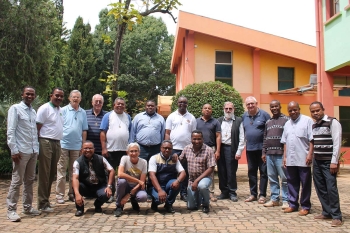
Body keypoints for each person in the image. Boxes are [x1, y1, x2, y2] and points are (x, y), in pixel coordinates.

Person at [6, 86, 41, 222]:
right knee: (17, 181)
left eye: (32, 94)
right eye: (27, 94)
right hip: (21, 152)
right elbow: (11, 131)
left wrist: (36, 150)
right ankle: (11, 210)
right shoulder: (15, 109)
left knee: (29, 180)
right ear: (22, 95)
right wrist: (13, 150)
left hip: (32, 151)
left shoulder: (33, 112)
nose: (30, 96)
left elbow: (34, 133)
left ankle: (27, 207)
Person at [309, 101, 343, 227]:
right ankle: (326, 212)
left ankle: (336, 216)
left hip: (329, 162)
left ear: (323, 109)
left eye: (317, 110)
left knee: (331, 188)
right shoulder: (314, 125)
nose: (315, 113)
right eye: (313, 111)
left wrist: (334, 161)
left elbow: (337, 143)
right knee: (320, 187)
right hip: (317, 161)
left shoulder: (332, 122)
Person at [281, 101, 314, 216]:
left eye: (295, 109)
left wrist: (310, 154)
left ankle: (305, 206)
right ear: (288, 111)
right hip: (291, 159)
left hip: (303, 158)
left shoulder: (307, 121)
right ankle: (293, 204)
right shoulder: (287, 124)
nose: (293, 112)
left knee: (305, 184)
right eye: (290, 110)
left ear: (299, 109)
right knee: (291, 182)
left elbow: (312, 140)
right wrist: (284, 157)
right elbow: (284, 142)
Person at [56, 90, 88, 204]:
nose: (75, 99)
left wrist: (83, 145)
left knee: (74, 171)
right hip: (63, 144)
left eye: (78, 97)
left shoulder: (83, 112)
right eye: (73, 97)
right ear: (69, 98)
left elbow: (84, 130)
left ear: (80, 99)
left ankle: (72, 193)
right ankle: (59, 195)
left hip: (77, 146)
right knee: (61, 170)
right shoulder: (63, 110)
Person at [129, 100, 165, 201]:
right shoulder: (138, 117)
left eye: (152, 106)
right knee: (140, 170)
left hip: (155, 148)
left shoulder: (160, 118)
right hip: (141, 147)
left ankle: (150, 192)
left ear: (155, 107)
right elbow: (133, 132)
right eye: (148, 106)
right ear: (145, 106)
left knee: (153, 170)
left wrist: (161, 148)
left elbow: (162, 134)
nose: (150, 107)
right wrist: (131, 146)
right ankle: (139, 190)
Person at [36, 87, 64, 212]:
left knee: (52, 173)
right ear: (51, 95)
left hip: (57, 142)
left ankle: (46, 201)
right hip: (45, 141)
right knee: (44, 173)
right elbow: (37, 128)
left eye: (61, 96)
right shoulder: (44, 108)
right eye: (57, 95)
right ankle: (42, 203)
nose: (59, 98)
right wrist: (36, 145)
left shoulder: (60, 110)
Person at [165, 96, 196, 201]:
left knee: (185, 172)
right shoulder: (171, 116)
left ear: (187, 104)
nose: (182, 104)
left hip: (187, 149)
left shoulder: (191, 117)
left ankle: (183, 193)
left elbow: (193, 134)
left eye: (184, 102)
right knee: (172, 171)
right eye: (180, 102)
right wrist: (168, 148)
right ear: (177, 103)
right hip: (174, 148)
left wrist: (193, 148)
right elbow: (167, 133)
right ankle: (170, 192)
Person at [72, 141, 115, 216]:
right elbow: (75, 178)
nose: (88, 150)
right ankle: (79, 208)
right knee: (76, 187)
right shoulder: (77, 162)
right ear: (81, 150)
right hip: (86, 187)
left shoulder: (101, 159)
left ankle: (98, 204)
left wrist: (109, 186)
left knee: (108, 192)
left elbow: (111, 170)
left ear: (94, 149)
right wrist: (77, 194)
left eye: (90, 148)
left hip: (99, 186)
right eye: (85, 148)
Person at [179, 130, 216, 213]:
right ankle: (199, 196)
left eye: (199, 139)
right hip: (192, 180)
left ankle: (206, 204)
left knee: (202, 186)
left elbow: (211, 168)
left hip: (205, 178)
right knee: (191, 207)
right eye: (194, 139)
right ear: (191, 139)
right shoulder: (186, 149)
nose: (197, 141)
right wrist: (174, 159)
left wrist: (197, 181)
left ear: (203, 139)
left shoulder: (208, 150)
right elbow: (180, 161)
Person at [242, 96, 270, 204]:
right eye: (248, 104)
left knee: (263, 172)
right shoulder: (244, 116)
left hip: (262, 150)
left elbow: (269, 131)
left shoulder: (264, 115)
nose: (250, 106)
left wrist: (266, 149)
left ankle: (262, 195)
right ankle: (253, 194)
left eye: (252, 103)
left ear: (256, 103)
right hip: (250, 149)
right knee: (251, 172)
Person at [262, 100, 289, 209]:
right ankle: (274, 199)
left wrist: (286, 155)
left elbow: (288, 138)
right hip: (269, 154)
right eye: (272, 107)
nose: (274, 108)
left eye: (276, 106)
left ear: (280, 106)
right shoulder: (268, 122)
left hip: (281, 154)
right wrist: (264, 152)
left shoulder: (286, 120)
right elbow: (265, 138)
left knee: (284, 178)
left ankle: (286, 200)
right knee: (272, 178)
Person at [216, 102, 245, 202]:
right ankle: (224, 192)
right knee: (221, 171)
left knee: (231, 172)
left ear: (234, 109)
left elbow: (242, 137)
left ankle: (232, 192)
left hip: (231, 149)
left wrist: (239, 151)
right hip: (220, 148)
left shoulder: (239, 121)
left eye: (230, 109)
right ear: (223, 109)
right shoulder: (218, 121)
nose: (228, 110)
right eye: (226, 108)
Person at [148, 140, 186, 213]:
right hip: (156, 185)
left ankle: (169, 204)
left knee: (179, 183)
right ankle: (155, 202)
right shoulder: (154, 158)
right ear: (160, 148)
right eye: (165, 148)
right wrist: (159, 190)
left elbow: (183, 173)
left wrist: (177, 181)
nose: (167, 150)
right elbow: (152, 176)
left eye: (169, 148)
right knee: (159, 200)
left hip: (169, 184)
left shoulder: (174, 159)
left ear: (172, 149)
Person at [114, 143, 148, 217]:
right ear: (127, 152)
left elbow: (142, 182)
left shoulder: (144, 162)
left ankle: (133, 200)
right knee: (121, 181)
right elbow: (120, 174)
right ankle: (119, 206)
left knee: (143, 197)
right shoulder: (124, 158)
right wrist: (138, 180)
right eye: (131, 151)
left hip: (136, 187)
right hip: (125, 185)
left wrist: (128, 195)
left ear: (139, 152)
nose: (134, 153)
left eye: (136, 151)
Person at [196, 104, 221, 202]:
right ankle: (197, 190)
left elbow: (218, 136)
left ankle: (211, 192)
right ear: (202, 110)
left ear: (211, 110)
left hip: (211, 148)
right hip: (198, 149)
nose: (207, 110)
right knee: (197, 169)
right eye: (205, 108)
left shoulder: (215, 122)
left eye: (209, 108)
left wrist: (218, 150)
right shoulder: (197, 121)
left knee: (211, 170)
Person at [100, 97, 131, 170]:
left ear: (124, 106)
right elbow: (102, 132)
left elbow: (129, 132)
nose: (120, 105)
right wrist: (104, 148)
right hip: (111, 149)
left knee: (124, 171)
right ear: (114, 105)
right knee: (111, 171)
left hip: (124, 150)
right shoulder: (108, 115)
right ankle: (111, 182)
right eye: (118, 104)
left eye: (122, 104)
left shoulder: (128, 117)